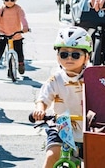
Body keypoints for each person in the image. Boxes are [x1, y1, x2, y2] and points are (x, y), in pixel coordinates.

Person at [32, 26, 92, 168]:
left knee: (97, 159)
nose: (69, 58)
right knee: (53, 155)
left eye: (75, 55)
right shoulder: (56, 79)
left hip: (88, 128)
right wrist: (40, 110)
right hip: (61, 126)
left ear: (86, 57)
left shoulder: (92, 77)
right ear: (58, 56)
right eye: (64, 54)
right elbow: (44, 97)